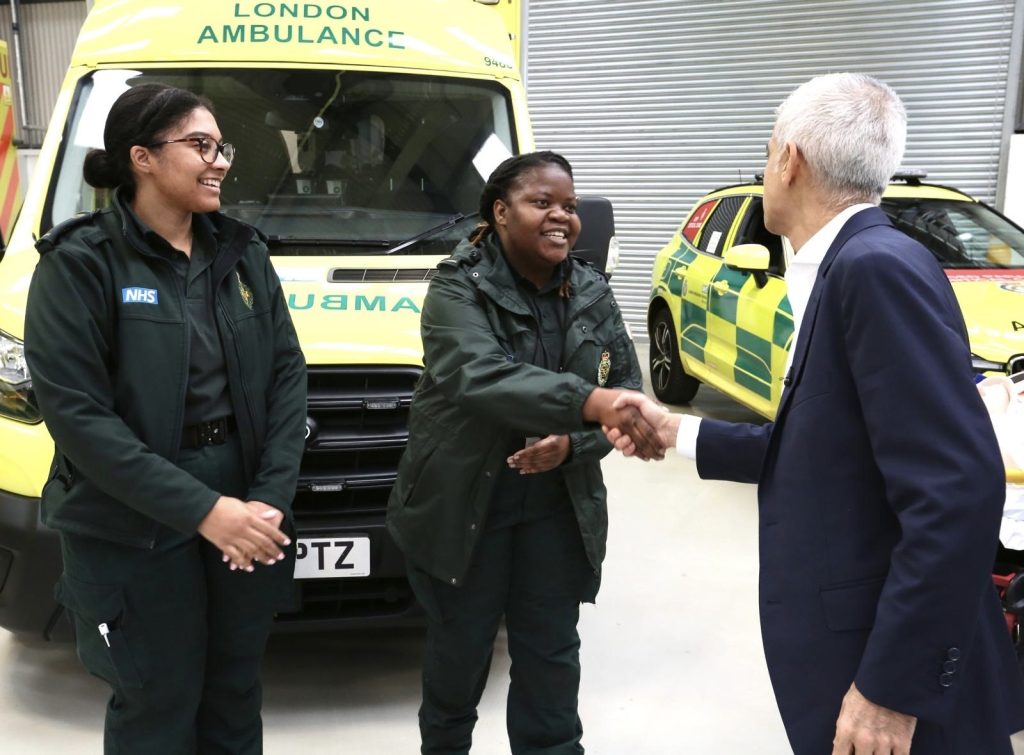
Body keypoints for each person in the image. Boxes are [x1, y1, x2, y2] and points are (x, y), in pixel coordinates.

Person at [609, 73, 1024, 754]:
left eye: (767, 148)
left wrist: (891, 688)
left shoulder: (873, 269)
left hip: (892, 681)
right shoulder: (845, 266)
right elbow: (831, 448)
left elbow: (955, 492)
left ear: (789, 160)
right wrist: (678, 429)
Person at [24, 83, 307, 753]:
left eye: (221, 147)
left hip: (242, 486)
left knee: (235, 692)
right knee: (157, 697)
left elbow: (288, 376)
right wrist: (207, 511)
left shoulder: (242, 255)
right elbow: (81, 421)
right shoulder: (80, 264)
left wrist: (266, 497)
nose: (219, 162)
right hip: (135, 510)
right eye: (200, 145)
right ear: (143, 158)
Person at [386, 151, 658, 754]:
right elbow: (479, 375)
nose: (562, 216)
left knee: (551, 660)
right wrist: (591, 402)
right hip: (464, 508)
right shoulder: (456, 287)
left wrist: (574, 445)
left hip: (557, 511)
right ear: (501, 212)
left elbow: (629, 392)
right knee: (459, 659)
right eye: (544, 203)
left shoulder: (590, 291)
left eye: (569, 204)